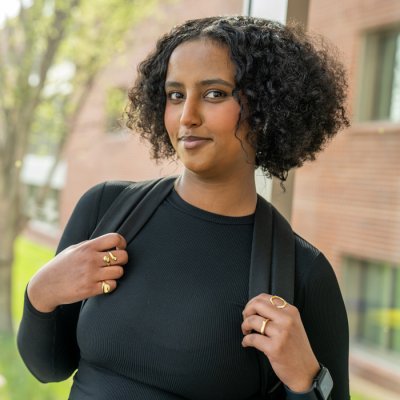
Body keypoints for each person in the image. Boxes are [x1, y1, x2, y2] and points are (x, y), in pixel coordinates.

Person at [18, 16, 350, 399]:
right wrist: (40, 294)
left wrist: (306, 379)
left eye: (214, 94)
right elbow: (48, 368)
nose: (187, 117)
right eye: (176, 95)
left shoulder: (303, 273)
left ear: (267, 109)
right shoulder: (106, 209)